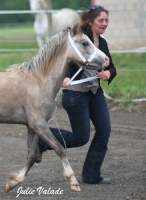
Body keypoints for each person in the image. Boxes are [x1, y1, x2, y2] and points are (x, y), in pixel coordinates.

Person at [36, 5, 117, 184]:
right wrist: (65, 77)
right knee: (81, 138)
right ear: (91, 22)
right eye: (101, 21)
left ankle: (91, 174)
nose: (105, 24)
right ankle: (42, 139)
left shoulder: (102, 43)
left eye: (107, 20)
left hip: (95, 92)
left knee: (104, 130)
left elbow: (110, 66)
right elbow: (62, 59)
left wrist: (108, 73)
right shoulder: (78, 39)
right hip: (76, 94)